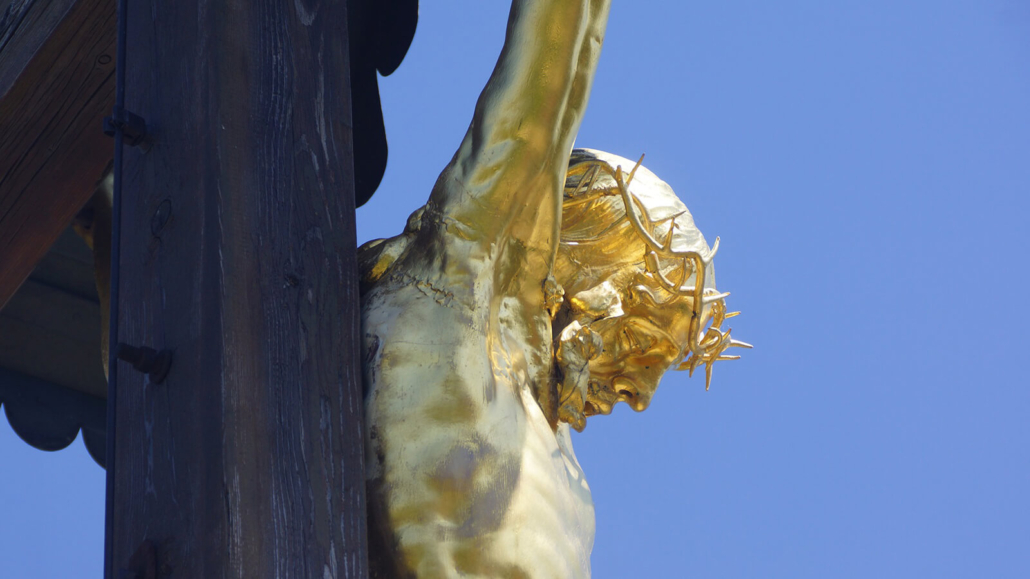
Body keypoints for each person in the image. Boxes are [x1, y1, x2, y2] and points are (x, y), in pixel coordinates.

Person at [358, 1, 747, 576]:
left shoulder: (567, 475)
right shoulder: (462, 286)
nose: (640, 393)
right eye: (643, 339)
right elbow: (549, 78)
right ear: (584, 274)